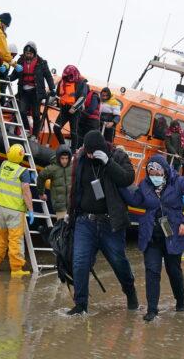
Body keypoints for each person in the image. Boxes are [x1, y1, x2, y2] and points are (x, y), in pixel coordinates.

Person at [120, 155, 184, 321]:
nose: (154, 173)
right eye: (150, 170)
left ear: (164, 169)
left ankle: (180, 302)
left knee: (174, 271)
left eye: (157, 169)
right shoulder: (144, 185)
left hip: (173, 236)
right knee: (151, 271)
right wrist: (119, 185)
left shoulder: (178, 182)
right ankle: (152, 310)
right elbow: (134, 200)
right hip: (151, 236)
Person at [67, 130, 138, 315]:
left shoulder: (118, 156)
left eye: (93, 152)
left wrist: (108, 162)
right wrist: (71, 214)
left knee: (119, 262)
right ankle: (80, 305)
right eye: (87, 151)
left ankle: (130, 291)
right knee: (80, 263)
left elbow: (128, 178)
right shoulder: (81, 158)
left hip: (110, 222)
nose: (90, 155)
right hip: (85, 221)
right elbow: (75, 188)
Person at [0, 144, 34, 277]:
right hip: (14, 210)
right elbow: (26, 192)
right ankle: (16, 269)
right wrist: (31, 210)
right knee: (15, 239)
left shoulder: (3, 165)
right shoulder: (23, 172)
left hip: (1, 208)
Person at [9, 41, 55, 140]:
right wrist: (8, 78)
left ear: (34, 53)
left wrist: (52, 88)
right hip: (24, 91)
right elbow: (15, 74)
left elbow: (48, 76)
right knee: (22, 111)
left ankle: (34, 135)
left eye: (30, 53)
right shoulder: (20, 61)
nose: (28, 55)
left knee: (36, 114)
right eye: (26, 53)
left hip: (36, 92)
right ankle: (26, 129)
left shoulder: (42, 63)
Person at [53, 65, 89, 152]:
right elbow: (58, 93)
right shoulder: (63, 80)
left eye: (70, 76)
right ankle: (64, 147)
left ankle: (72, 151)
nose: (68, 77)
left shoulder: (82, 83)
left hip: (75, 111)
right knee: (56, 128)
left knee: (73, 132)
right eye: (67, 75)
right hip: (64, 109)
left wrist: (74, 107)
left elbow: (83, 96)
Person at [36, 145, 72, 219]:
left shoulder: (73, 166)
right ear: (58, 158)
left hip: (72, 206)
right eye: (62, 158)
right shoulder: (53, 168)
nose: (65, 161)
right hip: (60, 207)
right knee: (62, 228)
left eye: (66, 158)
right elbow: (41, 176)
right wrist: (41, 193)